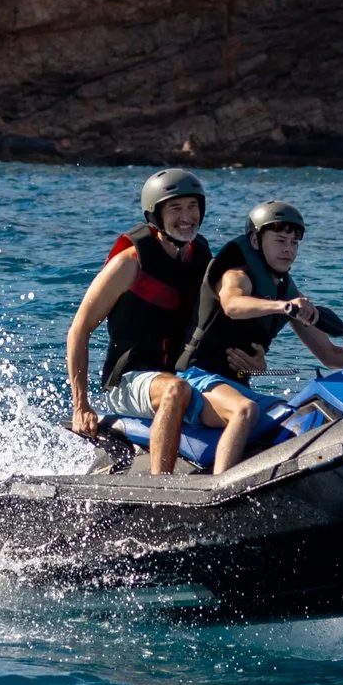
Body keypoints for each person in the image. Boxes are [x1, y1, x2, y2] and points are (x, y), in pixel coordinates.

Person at [174, 200, 343, 477]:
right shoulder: (237, 274)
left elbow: (329, 355)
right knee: (245, 411)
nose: (288, 248)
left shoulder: (284, 288)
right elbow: (232, 305)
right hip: (196, 379)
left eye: (294, 242)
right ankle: (219, 493)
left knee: (299, 414)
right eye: (280, 240)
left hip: (235, 386)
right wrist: (283, 307)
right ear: (255, 239)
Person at [64, 168, 252, 477]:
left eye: (193, 206)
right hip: (129, 381)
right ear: (155, 214)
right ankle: (160, 486)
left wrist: (252, 360)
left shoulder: (201, 259)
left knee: (244, 405)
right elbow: (79, 330)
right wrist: (81, 406)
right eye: (175, 208)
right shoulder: (129, 263)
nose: (187, 216)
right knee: (174, 390)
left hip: (185, 376)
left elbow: (225, 321)